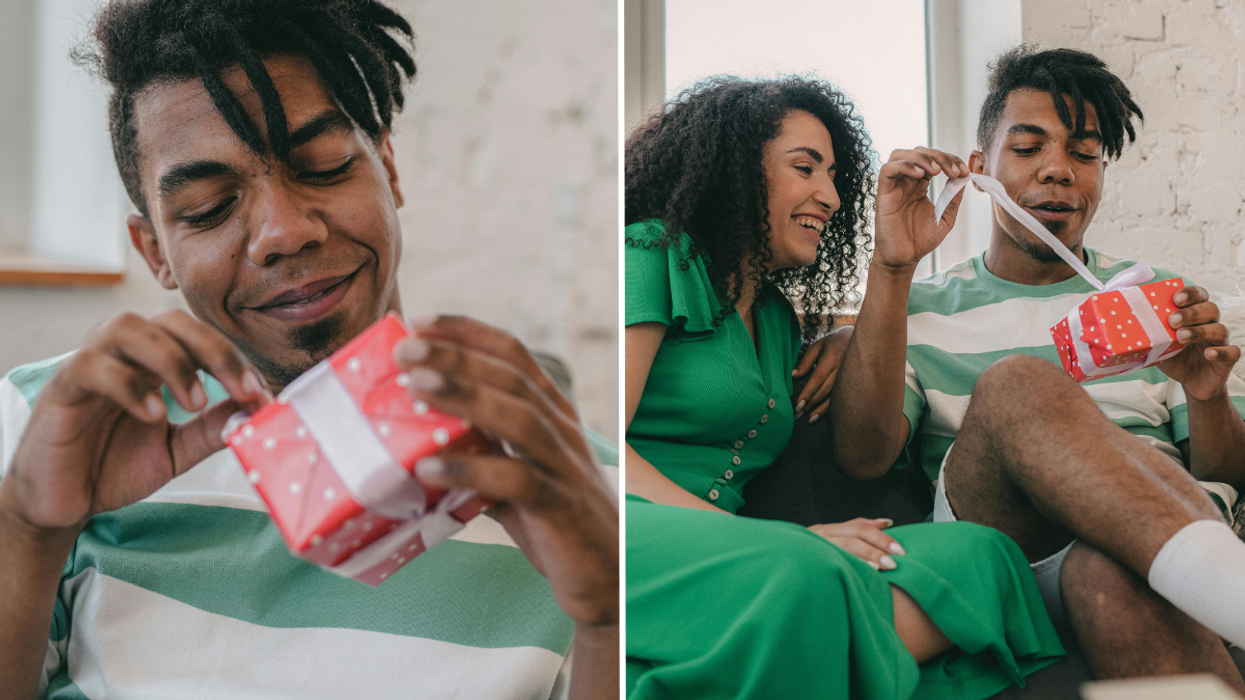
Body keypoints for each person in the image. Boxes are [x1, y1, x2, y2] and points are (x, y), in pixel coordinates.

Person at [0, 2, 618, 699]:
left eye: (323, 167)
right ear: (155, 252)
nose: (284, 231)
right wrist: (28, 528)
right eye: (208, 207)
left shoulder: (574, 492)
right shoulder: (53, 431)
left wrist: (605, 620)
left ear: (387, 167)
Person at [624, 76, 1064, 700]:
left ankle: (757, 664)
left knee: (983, 558)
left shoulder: (776, 321)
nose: (830, 196)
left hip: (749, 564)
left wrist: (848, 334)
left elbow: (861, 429)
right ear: (733, 170)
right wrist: (767, 539)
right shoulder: (650, 254)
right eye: (805, 168)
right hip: (632, 532)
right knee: (810, 574)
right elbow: (598, 448)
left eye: (833, 176)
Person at [828, 46, 1245, 687]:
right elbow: (861, 456)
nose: (1058, 170)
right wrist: (891, 269)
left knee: (1109, 571)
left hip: (1150, 548)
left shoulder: (1153, 296)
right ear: (979, 169)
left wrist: (1207, 394)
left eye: (1085, 154)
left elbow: (1226, 473)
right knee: (1018, 383)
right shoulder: (919, 309)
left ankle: (1212, 585)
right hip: (1007, 540)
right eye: (1027, 148)